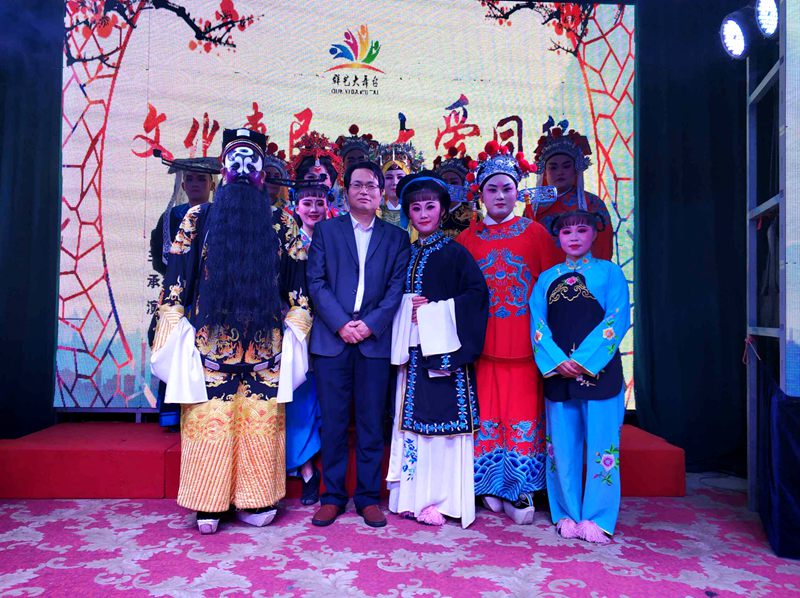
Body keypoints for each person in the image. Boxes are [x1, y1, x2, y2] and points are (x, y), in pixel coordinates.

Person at [150, 128, 310, 534]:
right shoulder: (198, 218)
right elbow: (175, 286)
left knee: (259, 426)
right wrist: (175, 333)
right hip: (209, 348)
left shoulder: (282, 223)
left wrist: (294, 334)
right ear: (223, 171)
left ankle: (256, 498)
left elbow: (299, 292)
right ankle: (209, 503)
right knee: (210, 425)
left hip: (266, 351)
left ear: (262, 175)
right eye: (233, 164)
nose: (241, 172)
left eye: (249, 164)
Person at [457, 141, 561, 525]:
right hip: (482, 345)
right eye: (492, 189)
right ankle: (487, 484)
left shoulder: (536, 234)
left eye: (507, 189)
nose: (500, 196)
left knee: (523, 415)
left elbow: (553, 289)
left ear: (518, 192)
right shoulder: (467, 239)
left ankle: (520, 488)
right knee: (486, 415)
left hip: (526, 344)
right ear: (480, 195)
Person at [306, 160, 410, 528]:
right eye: (357, 185)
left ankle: (367, 498)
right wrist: (341, 324)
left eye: (371, 185)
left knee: (370, 423)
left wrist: (369, 325)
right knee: (333, 423)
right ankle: (332, 497)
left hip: (374, 342)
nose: (364, 191)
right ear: (346, 191)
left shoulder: (396, 237)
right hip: (332, 341)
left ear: (382, 192)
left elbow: (396, 288)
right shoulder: (326, 231)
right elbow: (316, 282)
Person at [386, 172, 488, 528]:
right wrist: (406, 307)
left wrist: (434, 311)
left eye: (430, 206)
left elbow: (476, 297)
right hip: (412, 355)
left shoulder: (455, 253)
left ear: (443, 211)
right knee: (412, 427)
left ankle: (442, 500)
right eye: (416, 208)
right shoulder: (405, 254)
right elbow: (390, 299)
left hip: (445, 355)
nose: (423, 214)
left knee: (443, 430)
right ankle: (412, 497)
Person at [529, 209, 629, 544]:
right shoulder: (546, 278)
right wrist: (558, 361)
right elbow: (537, 324)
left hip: (600, 373)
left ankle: (598, 517)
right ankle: (566, 513)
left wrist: (583, 360)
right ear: (557, 238)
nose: (573, 237)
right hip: (558, 373)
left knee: (603, 447)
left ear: (594, 234)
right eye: (566, 231)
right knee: (561, 449)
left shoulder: (609, 273)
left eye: (581, 230)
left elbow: (617, 319)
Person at [147, 157, 218, 429]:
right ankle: (172, 414)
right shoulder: (172, 216)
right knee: (171, 346)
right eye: (190, 179)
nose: (195, 184)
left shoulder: (219, 214)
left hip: (209, 294)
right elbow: (160, 257)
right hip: (178, 292)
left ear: (212, 184)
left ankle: (205, 414)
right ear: (183, 184)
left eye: (202, 179)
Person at [283, 182, 331, 505]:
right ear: (296, 208)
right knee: (300, 395)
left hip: (329, 327)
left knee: (324, 397)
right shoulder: (287, 241)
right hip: (296, 328)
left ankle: (315, 459)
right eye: (307, 203)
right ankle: (307, 468)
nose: (313, 209)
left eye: (319, 203)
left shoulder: (333, 239)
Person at [531, 117, 613, 260]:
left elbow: (603, 247)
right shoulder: (534, 207)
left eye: (566, 166)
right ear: (545, 173)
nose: (560, 172)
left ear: (575, 169)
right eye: (553, 168)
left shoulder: (592, 203)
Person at [292, 131, 345, 216]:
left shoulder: (341, 217)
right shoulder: (287, 216)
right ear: (300, 182)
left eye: (323, 178)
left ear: (331, 182)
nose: (317, 183)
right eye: (311, 178)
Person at [432, 147, 481, 238]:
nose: (449, 187)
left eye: (454, 183)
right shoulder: (433, 215)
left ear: (463, 185)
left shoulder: (473, 217)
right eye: (444, 183)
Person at [377, 141, 424, 231]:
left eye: (400, 177)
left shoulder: (418, 212)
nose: (395, 182)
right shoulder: (374, 214)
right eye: (389, 177)